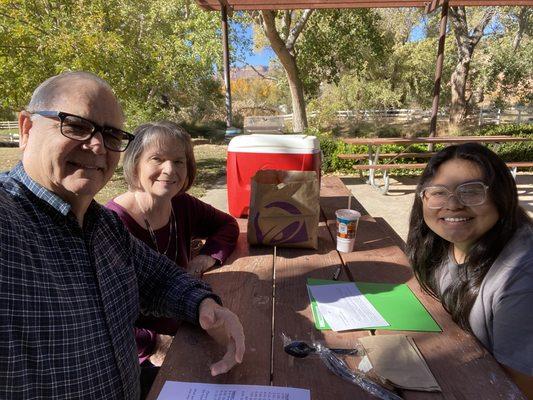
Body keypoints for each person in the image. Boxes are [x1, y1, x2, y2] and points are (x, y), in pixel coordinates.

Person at [0, 71, 245, 399]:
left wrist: (205, 304)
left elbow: (162, 280)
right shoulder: (9, 217)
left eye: (112, 134)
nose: (98, 144)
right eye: (75, 125)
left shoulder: (103, 227)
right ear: (26, 128)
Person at [104, 121, 239, 372]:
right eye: (157, 158)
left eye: (179, 161)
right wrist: (153, 344)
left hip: (189, 317)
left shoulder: (181, 204)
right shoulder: (114, 222)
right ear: (135, 164)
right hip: (141, 351)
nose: (169, 169)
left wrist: (209, 256)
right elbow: (106, 315)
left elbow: (227, 225)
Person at [406, 143, 532, 397]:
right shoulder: (441, 245)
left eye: (471, 191)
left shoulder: (521, 277)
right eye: (439, 192)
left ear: (501, 196)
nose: (453, 205)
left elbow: (519, 389)